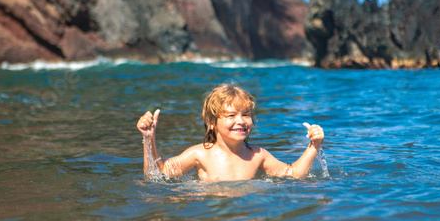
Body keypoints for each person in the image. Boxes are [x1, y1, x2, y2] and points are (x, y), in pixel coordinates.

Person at [137, 83, 324, 182]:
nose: (240, 121)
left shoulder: (257, 155)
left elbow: (293, 174)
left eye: (246, 114)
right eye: (231, 115)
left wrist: (313, 146)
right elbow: (157, 175)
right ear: (211, 123)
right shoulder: (199, 155)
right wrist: (148, 138)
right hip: (214, 213)